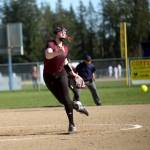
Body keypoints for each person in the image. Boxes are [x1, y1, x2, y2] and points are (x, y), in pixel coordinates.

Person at [43, 26, 89, 134]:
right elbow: (48, 55)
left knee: (66, 98)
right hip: (48, 76)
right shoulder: (51, 44)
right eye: (62, 32)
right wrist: (56, 52)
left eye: (65, 32)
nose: (64, 33)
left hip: (61, 74)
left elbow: (65, 62)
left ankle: (72, 125)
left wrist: (73, 74)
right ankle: (77, 105)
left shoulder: (66, 48)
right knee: (62, 101)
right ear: (57, 33)